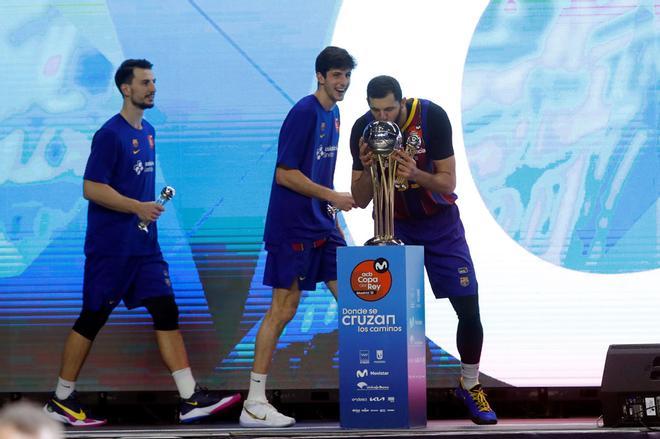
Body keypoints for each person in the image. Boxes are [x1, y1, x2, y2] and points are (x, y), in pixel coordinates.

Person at [43, 59, 241, 427]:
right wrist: (137, 207)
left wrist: (145, 213)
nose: (152, 88)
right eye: (145, 82)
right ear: (125, 88)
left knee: (166, 310)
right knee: (92, 317)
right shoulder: (109, 134)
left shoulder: (148, 131)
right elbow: (91, 187)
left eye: (154, 81)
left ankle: (189, 398)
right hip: (112, 248)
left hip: (145, 247)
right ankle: (61, 400)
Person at [350, 75, 498, 425]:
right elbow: (359, 199)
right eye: (375, 110)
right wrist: (370, 165)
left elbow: (448, 182)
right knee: (390, 317)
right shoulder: (363, 128)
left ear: (403, 103)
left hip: (440, 224)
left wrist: (416, 172)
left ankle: (470, 384)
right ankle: (392, 395)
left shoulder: (431, 117)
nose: (382, 117)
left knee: (468, 306)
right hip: (393, 225)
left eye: (388, 109)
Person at [239, 46, 357, 428]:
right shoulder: (304, 112)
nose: (342, 82)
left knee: (357, 303)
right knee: (283, 309)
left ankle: (373, 392)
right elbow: (285, 174)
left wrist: (332, 212)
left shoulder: (335, 114)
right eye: (336, 75)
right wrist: (333, 197)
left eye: (346, 75)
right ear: (320, 76)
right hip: (292, 227)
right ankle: (254, 402)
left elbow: (319, 174)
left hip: (322, 225)